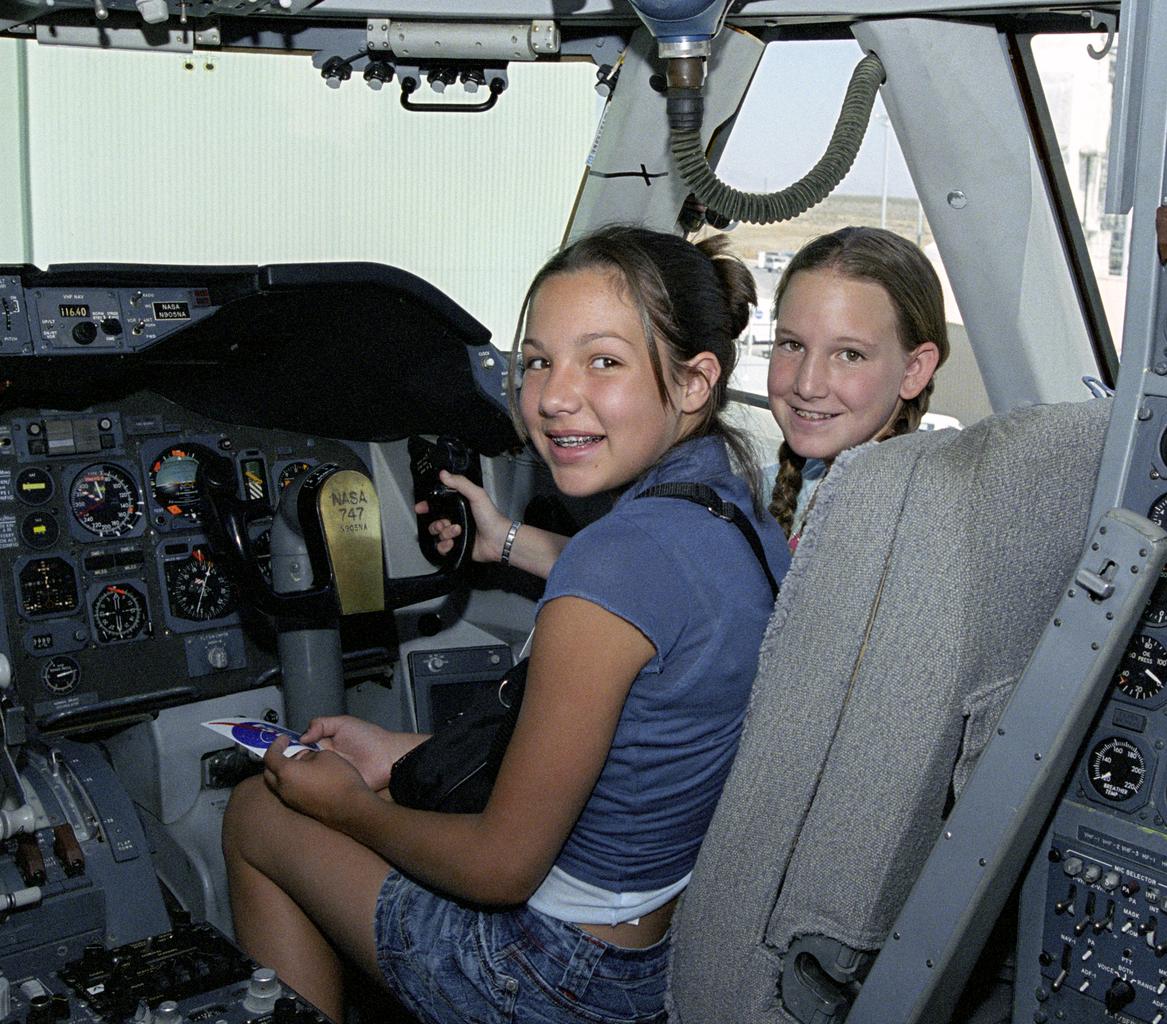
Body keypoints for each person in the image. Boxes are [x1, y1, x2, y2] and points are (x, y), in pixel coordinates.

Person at [221, 225, 790, 1024]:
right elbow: (632, 732)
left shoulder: (614, 565)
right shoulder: (734, 515)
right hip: (649, 945)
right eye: (537, 360)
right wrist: (398, 749)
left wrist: (345, 805)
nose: (554, 395)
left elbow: (499, 870)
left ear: (695, 382)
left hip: (552, 976)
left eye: (604, 361)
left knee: (258, 813)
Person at [763, 226, 949, 549]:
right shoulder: (769, 488)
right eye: (792, 345)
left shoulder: (920, 533)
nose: (807, 385)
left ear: (913, 370)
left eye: (850, 355)